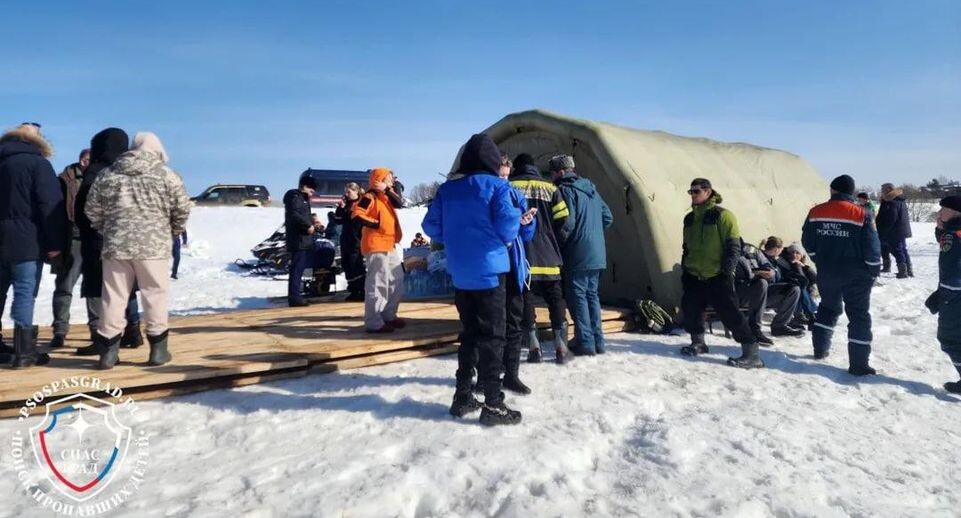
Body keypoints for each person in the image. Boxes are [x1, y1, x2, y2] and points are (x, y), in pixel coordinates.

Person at [422, 133, 523, 426]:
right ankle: (493, 404)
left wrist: (458, 238)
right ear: (492, 160)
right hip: (490, 272)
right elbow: (508, 228)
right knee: (493, 337)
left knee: (469, 335)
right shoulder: (498, 187)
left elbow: (431, 226)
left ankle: (463, 396)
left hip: (461, 272)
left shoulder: (447, 190)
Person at [85, 132, 191, 369]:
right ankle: (158, 351)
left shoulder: (108, 174)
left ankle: (108, 353)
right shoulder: (167, 174)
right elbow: (182, 209)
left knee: (113, 296)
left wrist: (109, 230)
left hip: (116, 247)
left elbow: (92, 209)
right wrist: (171, 232)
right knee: (155, 295)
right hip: (153, 247)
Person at [679, 178, 763, 368]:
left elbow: (734, 246)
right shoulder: (689, 218)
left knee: (730, 313)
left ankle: (752, 353)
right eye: (690, 192)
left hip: (717, 275)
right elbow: (686, 247)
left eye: (696, 191)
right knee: (692, 310)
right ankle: (698, 343)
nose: (692, 195)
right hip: (693, 274)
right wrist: (686, 267)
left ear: (708, 192)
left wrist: (727, 272)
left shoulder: (723, 216)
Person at [0, 122, 65, 368]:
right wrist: (55, 243)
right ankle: (24, 352)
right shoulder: (38, 164)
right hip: (27, 240)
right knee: (24, 293)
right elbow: (49, 205)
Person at [802, 174, 881, 375]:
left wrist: (818, 259)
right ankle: (859, 364)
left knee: (827, 308)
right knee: (858, 315)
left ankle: (820, 349)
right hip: (857, 274)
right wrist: (874, 270)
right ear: (851, 192)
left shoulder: (816, 211)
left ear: (832, 190)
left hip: (828, 271)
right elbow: (872, 246)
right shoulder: (862, 214)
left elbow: (807, 241)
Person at [74, 128, 142, 356]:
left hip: (97, 240)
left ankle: (100, 336)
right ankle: (133, 330)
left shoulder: (95, 173)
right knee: (126, 286)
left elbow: (84, 209)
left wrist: (89, 228)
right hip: (126, 240)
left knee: (96, 288)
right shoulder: (130, 172)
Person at [509, 153, 573, 364]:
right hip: (549, 255)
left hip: (523, 255)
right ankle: (560, 348)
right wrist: (552, 239)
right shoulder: (551, 188)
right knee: (555, 299)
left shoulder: (510, 187)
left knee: (526, 300)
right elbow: (563, 219)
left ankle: (534, 347)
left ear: (516, 168)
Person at [550, 155, 613, 356]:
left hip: (577, 252)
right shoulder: (592, 190)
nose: (551, 177)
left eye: (552, 173)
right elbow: (608, 217)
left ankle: (585, 342)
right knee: (592, 295)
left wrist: (556, 245)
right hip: (597, 253)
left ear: (561, 172)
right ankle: (598, 341)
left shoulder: (566, 190)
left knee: (577, 298)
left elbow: (568, 223)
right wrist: (593, 233)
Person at [50, 148, 97, 349]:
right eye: (85, 159)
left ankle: (96, 329)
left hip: (93, 239)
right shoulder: (65, 179)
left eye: (90, 160)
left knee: (94, 287)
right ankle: (60, 330)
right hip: (73, 238)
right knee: (64, 286)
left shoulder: (100, 178)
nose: (87, 162)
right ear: (80, 160)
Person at [351, 167, 405, 333]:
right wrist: (376, 224)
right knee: (378, 282)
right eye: (389, 178)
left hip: (389, 243)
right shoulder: (370, 196)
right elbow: (357, 213)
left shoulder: (386, 197)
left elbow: (400, 203)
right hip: (376, 244)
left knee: (397, 278)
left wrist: (387, 189)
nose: (392, 181)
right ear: (380, 179)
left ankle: (388, 315)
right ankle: (373, 322)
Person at [930, 195, 961, 394]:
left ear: (956, 212)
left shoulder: (953, 234)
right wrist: (941, 229)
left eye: (944, 209)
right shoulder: (953, 231)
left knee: (949, 338)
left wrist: (943, 294)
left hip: (955, 293)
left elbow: (950, 259)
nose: (939, 212)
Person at [753, 237, 805, 337]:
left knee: (794, 288)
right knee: (793, 290)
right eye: (781, 249)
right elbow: (755, 273)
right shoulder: (761, 257)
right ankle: (780, 326)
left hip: (767, 292)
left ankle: (785, 323)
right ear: (777, 249)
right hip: (760, 294)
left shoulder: (772, 260)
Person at [283, 176, 317, 307]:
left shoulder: (303, 199)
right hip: (299, 240)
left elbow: (303, 215)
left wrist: (313, 223)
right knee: (296, 269)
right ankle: (294, 297)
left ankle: (296, 295)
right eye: (311, 191)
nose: (312, 194)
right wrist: (307, 226)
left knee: (299, 268)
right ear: (305, 186)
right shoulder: (295, 197)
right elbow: (294, 215)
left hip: (304, 240)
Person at [333, 183, 366, 301]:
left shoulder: (362, 203)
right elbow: (337, 220)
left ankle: (362, 289)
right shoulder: (346, 204)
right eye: (345, 192)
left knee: (356, 264)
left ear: (356, 191)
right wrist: (340, 208)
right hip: (346, 238)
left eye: (349, 192)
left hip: (357, 238)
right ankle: (353, 290)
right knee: (346, 264)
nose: (346, 194)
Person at [876, 183, 913, 278]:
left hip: (894, 231)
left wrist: (883, 231)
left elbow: (891, 218)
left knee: (897, 250)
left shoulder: (892, 202)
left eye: (883, 189)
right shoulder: (899, 200)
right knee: (902, 249)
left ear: (888, 189)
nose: (881, 191)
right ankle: (908, 270)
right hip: (900, 230)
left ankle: (903, 271)